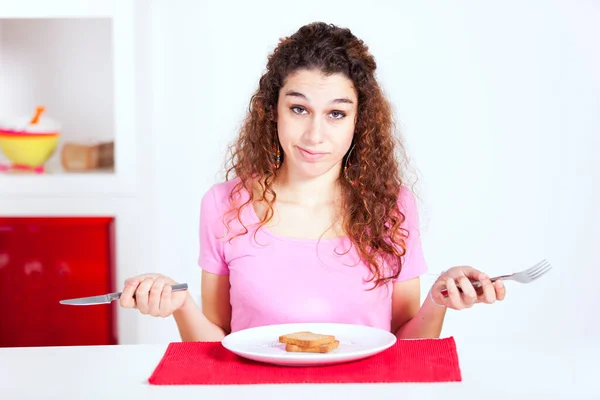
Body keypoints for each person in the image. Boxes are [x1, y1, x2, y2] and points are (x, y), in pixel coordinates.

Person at [119, 22, 506, 341]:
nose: (314, 135)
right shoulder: (224, 205)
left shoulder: (393, 207)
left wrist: (439, 299)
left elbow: (404, 339)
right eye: (299, 109)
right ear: (273, 111)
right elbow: (220, 341)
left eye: (336, 114)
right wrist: (179, 305)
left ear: (360, 122)